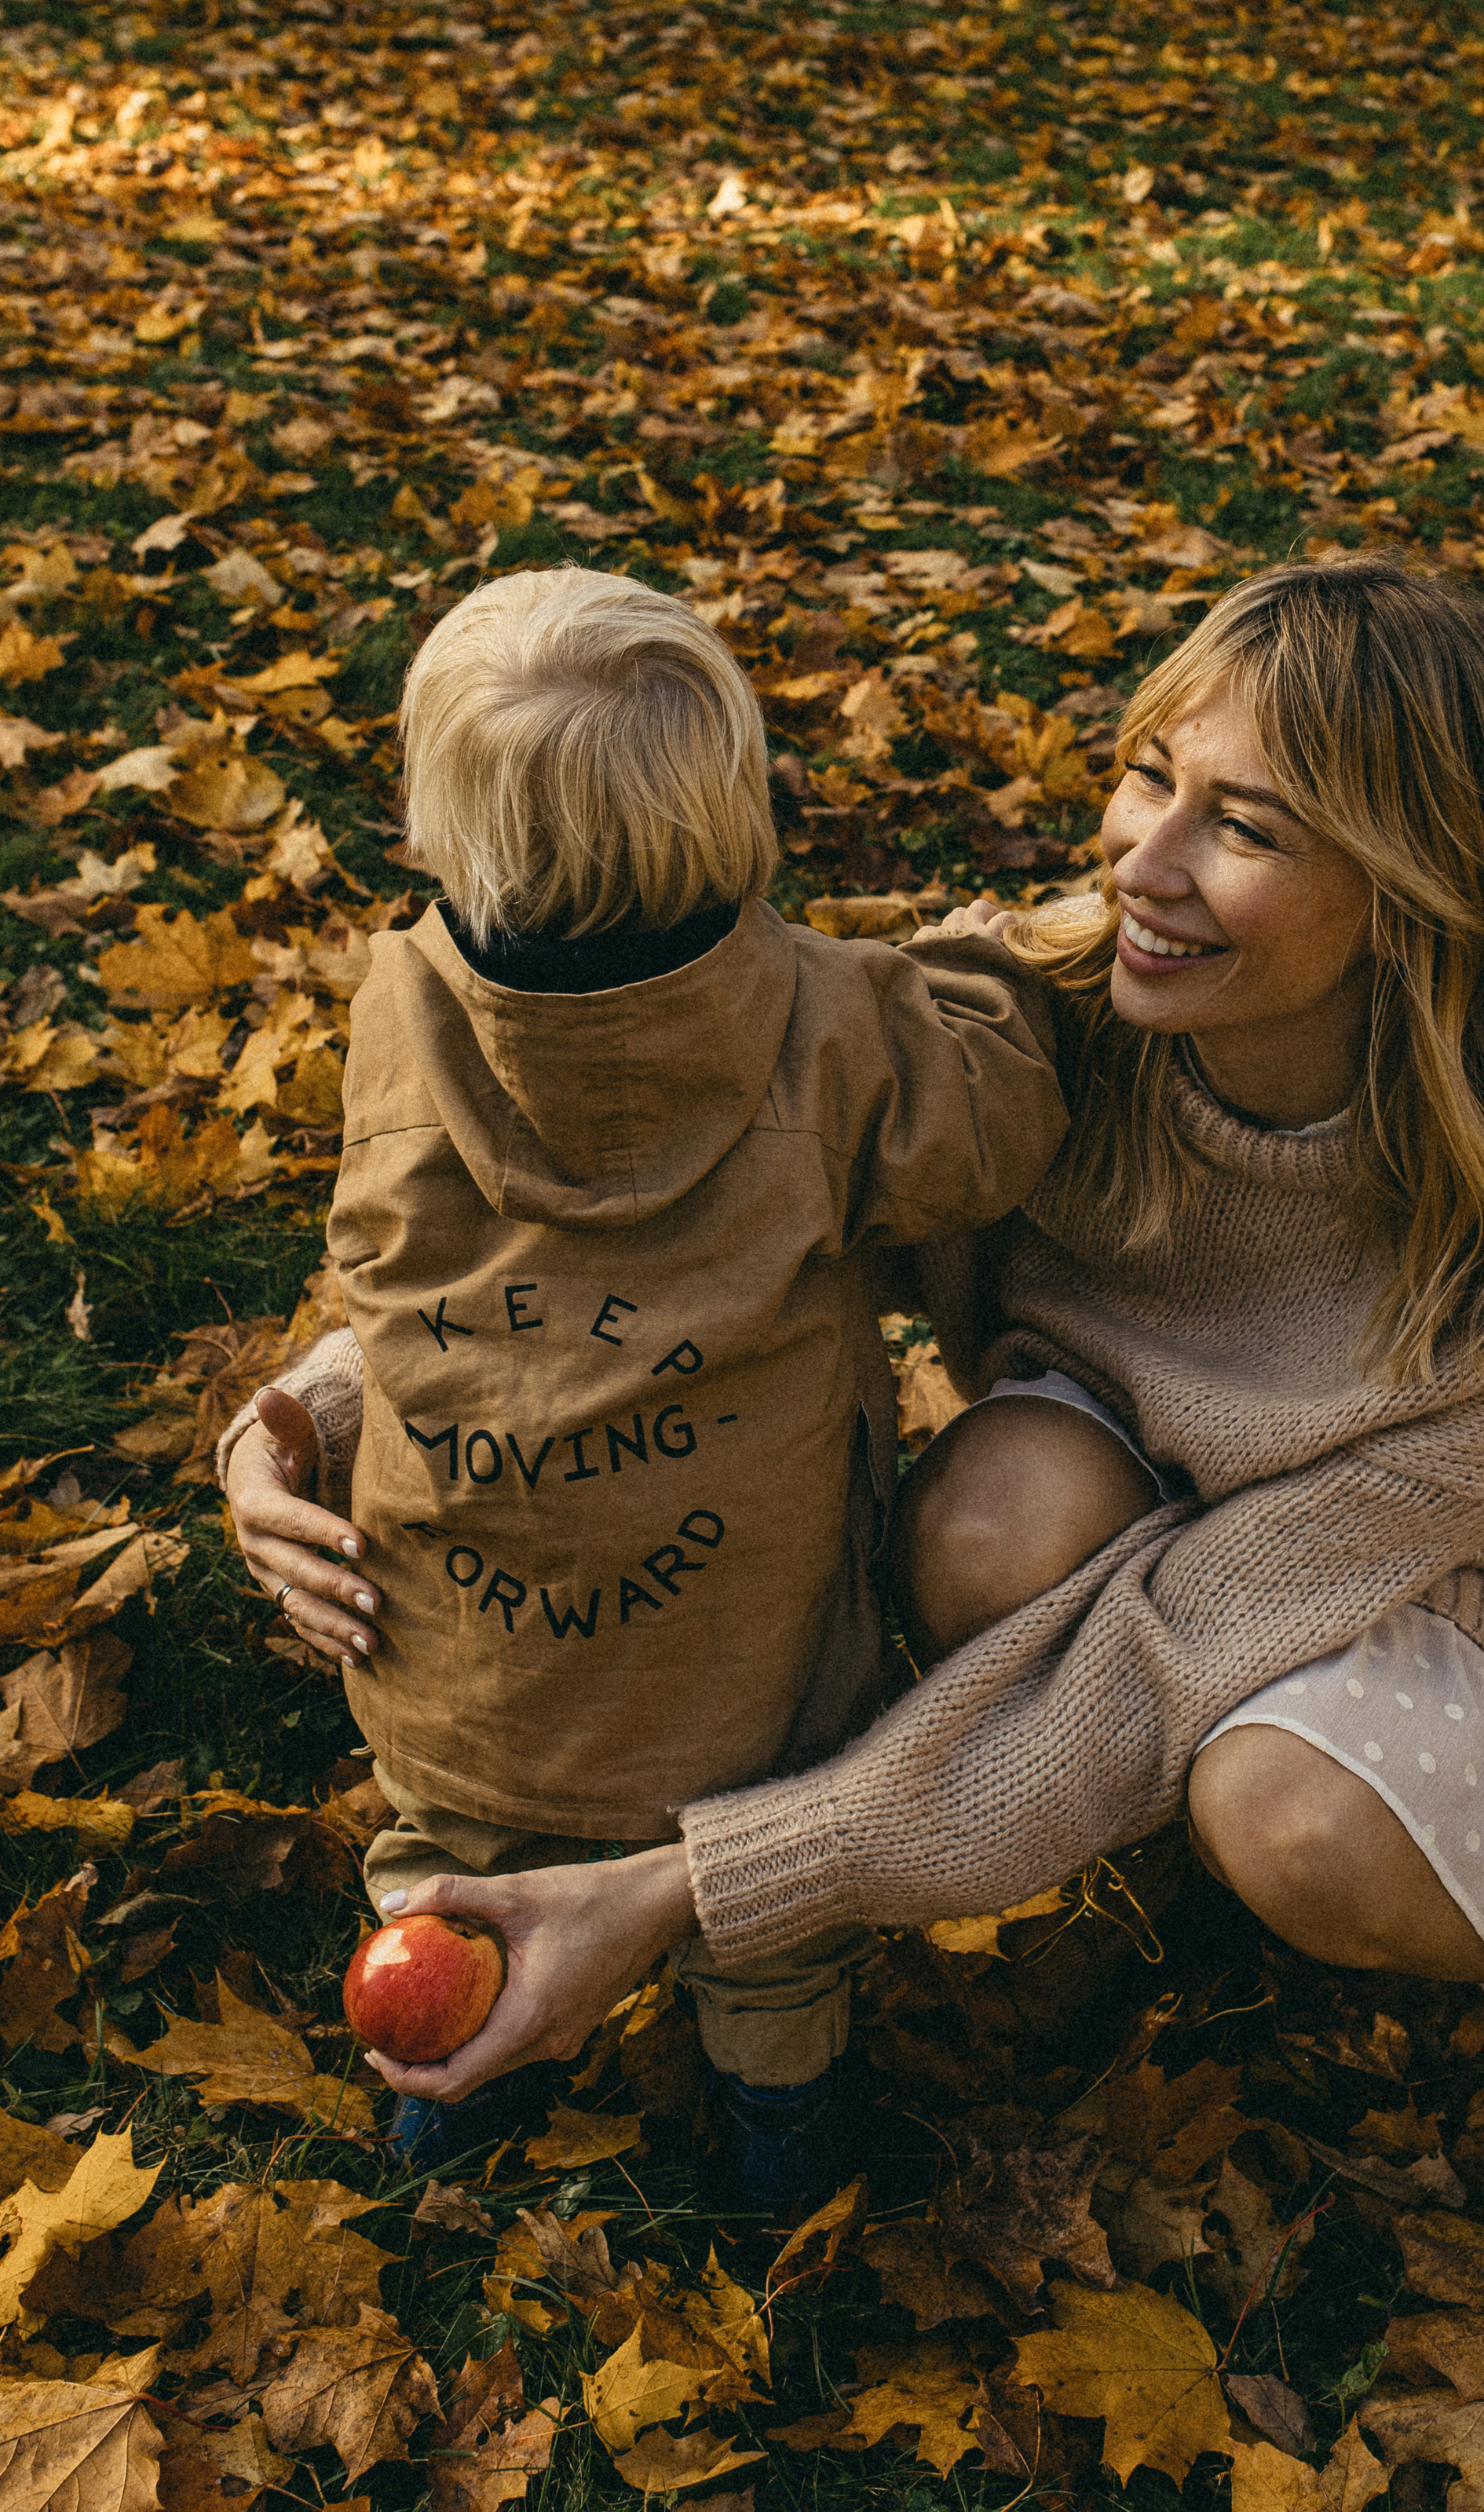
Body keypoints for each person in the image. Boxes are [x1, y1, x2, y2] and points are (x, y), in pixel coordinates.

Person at [227, 556, 1484, 2251]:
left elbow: (1155, 1653)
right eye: (1144, 776)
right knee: (985, 1527)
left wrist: (694, 1885)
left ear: (1413, 890)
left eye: (1242, 829)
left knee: (1293, 1810)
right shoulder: (1020, 1026)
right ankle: (1124, 1819)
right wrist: (307, 1414)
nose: (1142, 862)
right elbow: (651, 1238)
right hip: (1130, 1516)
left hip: (1436, 1584)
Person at [228, 563, 1068, 2194]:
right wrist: (987, 978)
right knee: (763, 1922)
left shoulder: (396, 1012)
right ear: (735, 813)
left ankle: (446, 2071)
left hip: (460, 1676)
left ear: (433, 833)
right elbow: (990, 1130)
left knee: (446, 1865)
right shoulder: (839, 1026)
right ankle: (778, 2124)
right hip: (743, 1684)